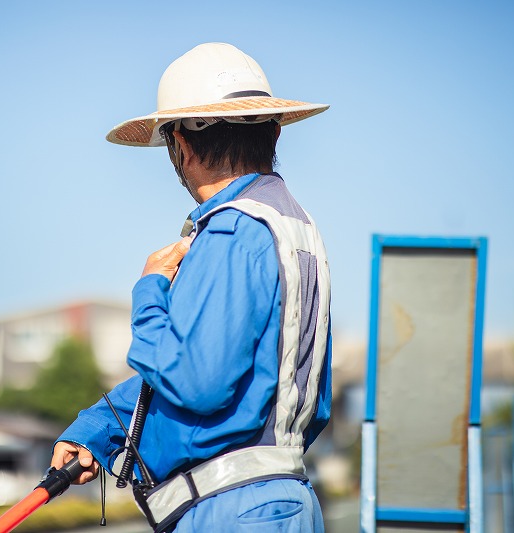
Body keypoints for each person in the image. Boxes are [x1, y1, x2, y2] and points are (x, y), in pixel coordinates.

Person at [51, 42, 332, 532]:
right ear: (273, 131)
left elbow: (196, 382)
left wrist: (150, 291)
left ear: (180, 144)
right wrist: (99, 427)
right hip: (275, 498)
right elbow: (218, 370)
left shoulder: (232, 231)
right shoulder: (292, 226)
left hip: (231, 510)